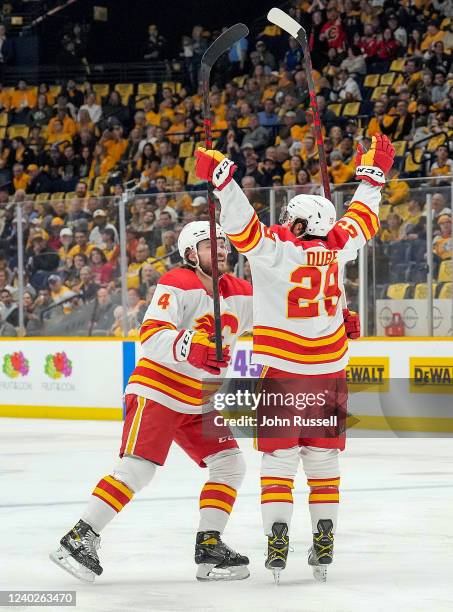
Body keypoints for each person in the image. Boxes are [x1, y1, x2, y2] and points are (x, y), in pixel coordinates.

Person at [194, 134, 395, 582]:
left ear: (300, 225)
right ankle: (323, 540)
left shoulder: (277, 250)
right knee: (323, 463)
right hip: (330, 372)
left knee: (279, 461)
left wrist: (224, 182)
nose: (283, 222)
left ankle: (278, 538)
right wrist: (372, 178)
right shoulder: (340, 244)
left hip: (284, 373)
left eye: (289, 219)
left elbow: (243, 229)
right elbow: (361, 219)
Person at [51, 221, 253, 582]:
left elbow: (281, 319)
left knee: (230, 465)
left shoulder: (240, 292)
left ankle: (210, 545)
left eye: (223, 244)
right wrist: (194, 348)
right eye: (211, 245)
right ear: (191, 255)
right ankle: (79, 536)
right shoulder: (178, 283)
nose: (222, 249)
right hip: (159, 389)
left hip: (199, 399)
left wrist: (330, 317)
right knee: (137, 469)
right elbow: (152, 335)